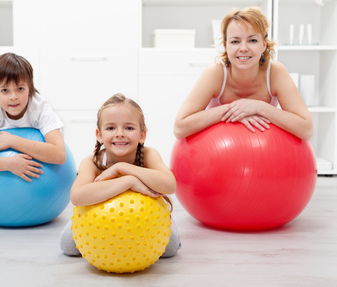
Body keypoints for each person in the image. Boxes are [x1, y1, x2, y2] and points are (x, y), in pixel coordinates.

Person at [60, 93, 181, 257]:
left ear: (142, 135)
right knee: (68, 245)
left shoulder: (149, 154)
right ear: (99, 135)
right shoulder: (92, 162)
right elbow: (77, 196)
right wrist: (128, 181)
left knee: (170, 247)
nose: (120, 133)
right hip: (100, 220)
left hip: (145, 219)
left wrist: (121, 167)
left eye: (129, 128)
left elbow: (170, 185)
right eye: (110, 128)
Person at [174, 7, 313, 141]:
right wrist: (236, 110)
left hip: (265, 155)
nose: (244, 48)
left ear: (264, 44)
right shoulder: (216, 73)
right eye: (235, 41)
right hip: (220, 156)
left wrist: (259, 107)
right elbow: (180, 128)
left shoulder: (276, 72)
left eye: (252, 40)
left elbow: (306, 130)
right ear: (226, 45)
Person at [0, 52, 66, 182]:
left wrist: (12, 141)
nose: (13, 97)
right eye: (5, 90)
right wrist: (8, 164)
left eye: (20, 89)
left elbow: (59, 154)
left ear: (30, 88)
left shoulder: (40, 107)